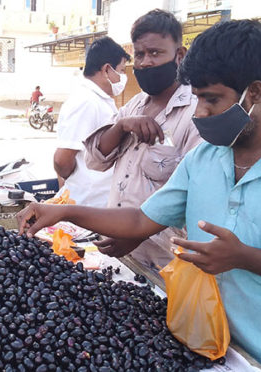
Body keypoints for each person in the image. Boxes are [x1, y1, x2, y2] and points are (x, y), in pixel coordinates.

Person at [17, 20, 261, 371]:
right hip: (201, 346)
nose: (199, 112)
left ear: (255, 92)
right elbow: (142, 218)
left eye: (211, 99)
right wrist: (62, 212)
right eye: (197, 97)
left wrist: (244, 257)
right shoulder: (205, 158)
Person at [83, 9, 202, 270]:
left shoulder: (196, 113)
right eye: (139, 54)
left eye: (156, 53)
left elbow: (195, 196)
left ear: (179, 56)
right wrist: (121, 126)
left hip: (164, 264)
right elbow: (94, 161)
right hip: (118, 258)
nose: (145, 62)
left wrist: (139, 233)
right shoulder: (133, 107)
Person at [53, 36, 131, 207]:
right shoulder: (86, 102)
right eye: (122, 70)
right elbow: (62, 159)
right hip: (87, 202)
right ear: (107, 70)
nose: (124, 77)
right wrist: (78, 180)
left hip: (98, 202)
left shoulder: (99, 100)